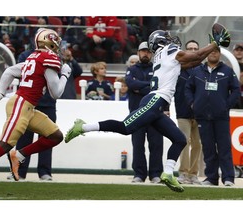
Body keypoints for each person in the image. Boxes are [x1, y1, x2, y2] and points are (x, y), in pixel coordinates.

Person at [64, 28, 230, 192]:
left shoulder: (163, 55)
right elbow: (195, 56)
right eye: (166, 37)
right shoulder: (168, 50)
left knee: (180, 139)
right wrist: (214, 44)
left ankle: (167, 174)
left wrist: (214, 46)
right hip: (155, 100)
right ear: (160, 41)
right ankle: (83, 127)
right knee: (125, 128)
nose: (170, 40)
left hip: (157, 103)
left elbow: (193, 61)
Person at [0, 28, 72, 193]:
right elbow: (56, 93)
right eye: (55, 42)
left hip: (27, 107)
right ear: (50, 42)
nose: (58, 47)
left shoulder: (34, 56)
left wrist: (1, 91)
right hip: (21, 105)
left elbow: (10, 70)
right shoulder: (47, 58)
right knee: (4, 144)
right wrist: (65, 75)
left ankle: (19, 155)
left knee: (55, 136)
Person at [185, 46, 240, 186]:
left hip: (221, 117)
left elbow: (235, 90)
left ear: (220, 55)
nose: (213, 53)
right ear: (207, 54)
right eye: (211, 51)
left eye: (216, 51)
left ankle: (228, 178)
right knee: (208, 148)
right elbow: (188, 88)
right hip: (202, 116)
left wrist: (225, 105)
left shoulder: (227, 71)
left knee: (224, 148)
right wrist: (193, 103)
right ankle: (211, 178)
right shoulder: (197, 71)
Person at [6, 41, 56, 181]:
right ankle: (20, 172)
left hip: (47, 103)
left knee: (48, 138)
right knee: (23, 138)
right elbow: (22, 74)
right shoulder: (26, 55)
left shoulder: (54, 57)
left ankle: (45, 171)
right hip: (29, 101)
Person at [125, 41, 163, 183]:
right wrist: (149, 85)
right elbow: (131, 83)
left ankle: (155, 174)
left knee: (156, 145)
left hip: (155, 113)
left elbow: (159, 87)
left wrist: (140, 87)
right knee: (138, 145)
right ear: (138, 53)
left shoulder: (158, 69)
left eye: (148, 51)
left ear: (152, 54)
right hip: (137, 113)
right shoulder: (132, 69)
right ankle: (139, 174)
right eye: (143, 51)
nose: (145, 53)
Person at [174, 40, 202, 185]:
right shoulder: (177, 68)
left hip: (200, 114)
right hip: (183, 112)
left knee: (197, 144)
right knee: (184, 142)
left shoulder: (203, 69)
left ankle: (193, 174)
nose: (192, 50)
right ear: (185, 51)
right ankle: (183, 173)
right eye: (190, 48)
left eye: (195, 48)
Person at [232, 43, 243, 108]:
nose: (239, 52)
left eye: (241, 50)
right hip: (234, 98)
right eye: (237, 50)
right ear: (233, 52)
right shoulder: (228, 66)